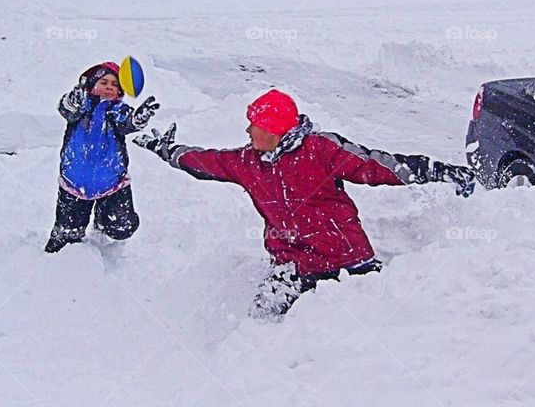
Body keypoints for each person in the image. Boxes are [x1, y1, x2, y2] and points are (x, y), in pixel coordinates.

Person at [134, 89, 474, 318]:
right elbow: (205, 162)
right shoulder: (248, 162)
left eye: (256, 123)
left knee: (377, 322)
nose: (248, 129)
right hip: (291, 265)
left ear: (276, 128)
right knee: (262, 327)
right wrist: (167, 151)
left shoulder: (320, 149)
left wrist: (435, 170)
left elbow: (375, 165)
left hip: (348, 258)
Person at [45, 62, 159, 253]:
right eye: (103, 82)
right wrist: (74, 99)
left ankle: (103, 220)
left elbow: (128, 123)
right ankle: (53, 265)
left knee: (122, 228)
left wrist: (138, 120)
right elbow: (67, 109)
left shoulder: (118, 112)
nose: (108, 87)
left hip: (112, 184)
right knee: (65, 238)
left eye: (114, 85)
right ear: (91, 85)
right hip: (74, 184)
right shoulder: (80, 108)